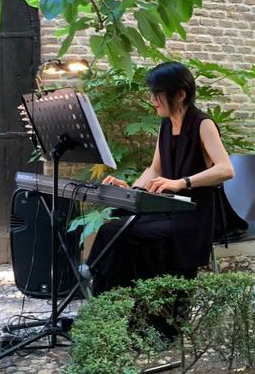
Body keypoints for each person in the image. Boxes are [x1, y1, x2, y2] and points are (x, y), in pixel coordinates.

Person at [87, 61, 245, 333]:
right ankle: (109, 303)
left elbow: (226, 169)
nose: (152, 101)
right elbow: (155, 169)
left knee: (123, 233)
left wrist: (181, 183)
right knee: (114, 227)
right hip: (169, 210)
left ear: (180, 94)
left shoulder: (203, 124)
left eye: (156, 93)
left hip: (195, 215)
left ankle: (126, 310)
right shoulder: (165, 126)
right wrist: (131, 190)